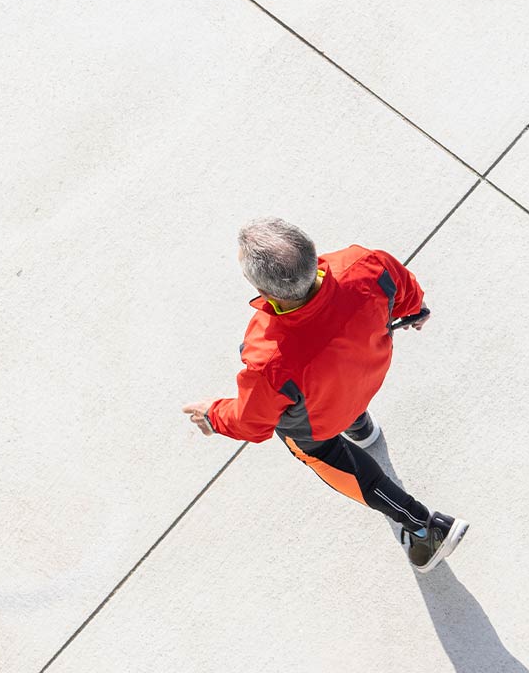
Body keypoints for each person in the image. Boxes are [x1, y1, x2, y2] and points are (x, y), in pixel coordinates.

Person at [182, 217, 468, 572]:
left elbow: (251, 423)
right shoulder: (363, 264)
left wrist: (212, 414)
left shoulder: (269, 354)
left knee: (343, 466)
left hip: (320, 422)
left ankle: (426, 528)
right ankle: (360, 428)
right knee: (337, 384)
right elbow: (406, 290)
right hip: (367, 375)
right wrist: (416, 311)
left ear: (267, 292)